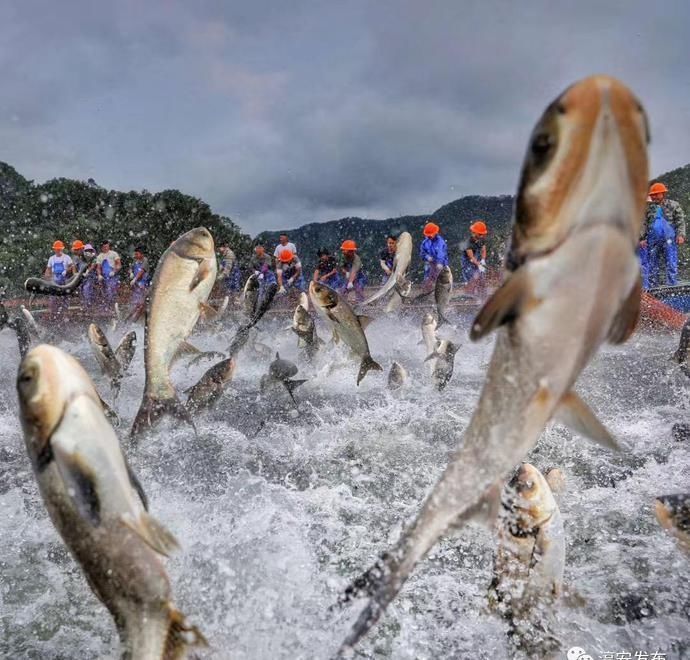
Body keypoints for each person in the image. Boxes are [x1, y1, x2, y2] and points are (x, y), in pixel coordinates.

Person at [640, 182, 686, 288]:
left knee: (671, 262)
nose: (654, 197)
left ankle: (672, 285)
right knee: (652, 264)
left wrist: (681, 235)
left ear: (663, 194)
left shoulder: (673, 205)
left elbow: (680, 221)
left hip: (669, 239)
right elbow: (643, 224)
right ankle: (652, 287)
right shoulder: (647, 208)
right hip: (653, 240)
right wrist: (641, 238)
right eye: (652, 195)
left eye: (656, 194)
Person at [44, 240, 73, 322]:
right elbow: (48, 269)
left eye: (59, 249)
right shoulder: (51, 259)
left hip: (64, 280)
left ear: (62, 249)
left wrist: (66, 271)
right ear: (54, 249)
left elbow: (72, 266)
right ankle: (53, 314)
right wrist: (47, 276)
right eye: (57, 249)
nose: (58, 250)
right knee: (53, 297)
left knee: (65, 297)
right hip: (55, 279)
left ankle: (65, 314)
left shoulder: (66, 257)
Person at [419, 221, 448, 290]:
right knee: (427, 281)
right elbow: (422, 253)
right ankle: (426, 293)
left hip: (441, 265)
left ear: (435, 233)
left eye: (430, 234)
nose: (429, 236)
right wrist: (427, 257)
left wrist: (440, 263)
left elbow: (441, 254)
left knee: (441, 282)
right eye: (427, 235)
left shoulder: (440, 242)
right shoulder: (425, 242)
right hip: (429, 265)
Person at [96, 240, 122, 314]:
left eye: (107, 246)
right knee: (103, 293)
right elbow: (98, 267)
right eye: (104, 247)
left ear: (109, 246)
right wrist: (99, 275)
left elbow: (119, 265)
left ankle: (114, 308)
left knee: (111, 291)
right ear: (101, 247)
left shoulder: (114, 254)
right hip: (104, 277)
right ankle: (106, 309)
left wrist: (114, 271)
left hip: (113, 277)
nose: (106, 248)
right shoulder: (100, 256)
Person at [129, 246, 151, 311]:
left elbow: (141, 271)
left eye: (137, 254)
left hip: (143, 283)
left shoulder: (145, 261)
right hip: (136, 284)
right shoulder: (135, 260)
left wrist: (135, 279)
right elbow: (130, 268)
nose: (135, 255)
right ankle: (132, 314)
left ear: (141, 254)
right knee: (134, 300)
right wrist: (131, 273)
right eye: (135, 254)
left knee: (141, 301)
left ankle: (139, 313)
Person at [80, 243, 99, 309]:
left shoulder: (94, 257)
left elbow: (93, 265)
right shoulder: (82, 258)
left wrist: (88, 271)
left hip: (91, 276)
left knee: (87, 289)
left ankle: (88, 304)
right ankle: (84, 304)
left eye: (90, 250)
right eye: (87, 250)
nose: (88, 252)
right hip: (83, 277)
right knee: (82, 290)